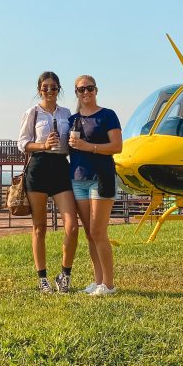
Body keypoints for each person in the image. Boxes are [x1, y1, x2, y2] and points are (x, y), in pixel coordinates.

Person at [17, 71, 80, 294]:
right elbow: (22, 143)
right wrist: (42, 145)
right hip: (39, 167)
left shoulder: (67, 113)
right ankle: (42, 278)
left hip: (61, 167)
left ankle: (64, 274)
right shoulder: (32, 112)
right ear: (39, 90)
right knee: (39, 227)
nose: (49, 91)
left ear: (59, 89)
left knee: (72, 226)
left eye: (53, 87)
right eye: (45, 87)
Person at [68, 75, 123, 297]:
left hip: (101, 178)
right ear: (76, 93)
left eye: (89, 88)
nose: (86, 92)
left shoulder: (107, 116)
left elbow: (117, 146)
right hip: (78, 179)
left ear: (96, 90)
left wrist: (87, 146)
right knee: (90, 234)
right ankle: (97, 280)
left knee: (99, 231)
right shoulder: (72, 119)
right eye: (81, 89)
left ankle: (109, 284)